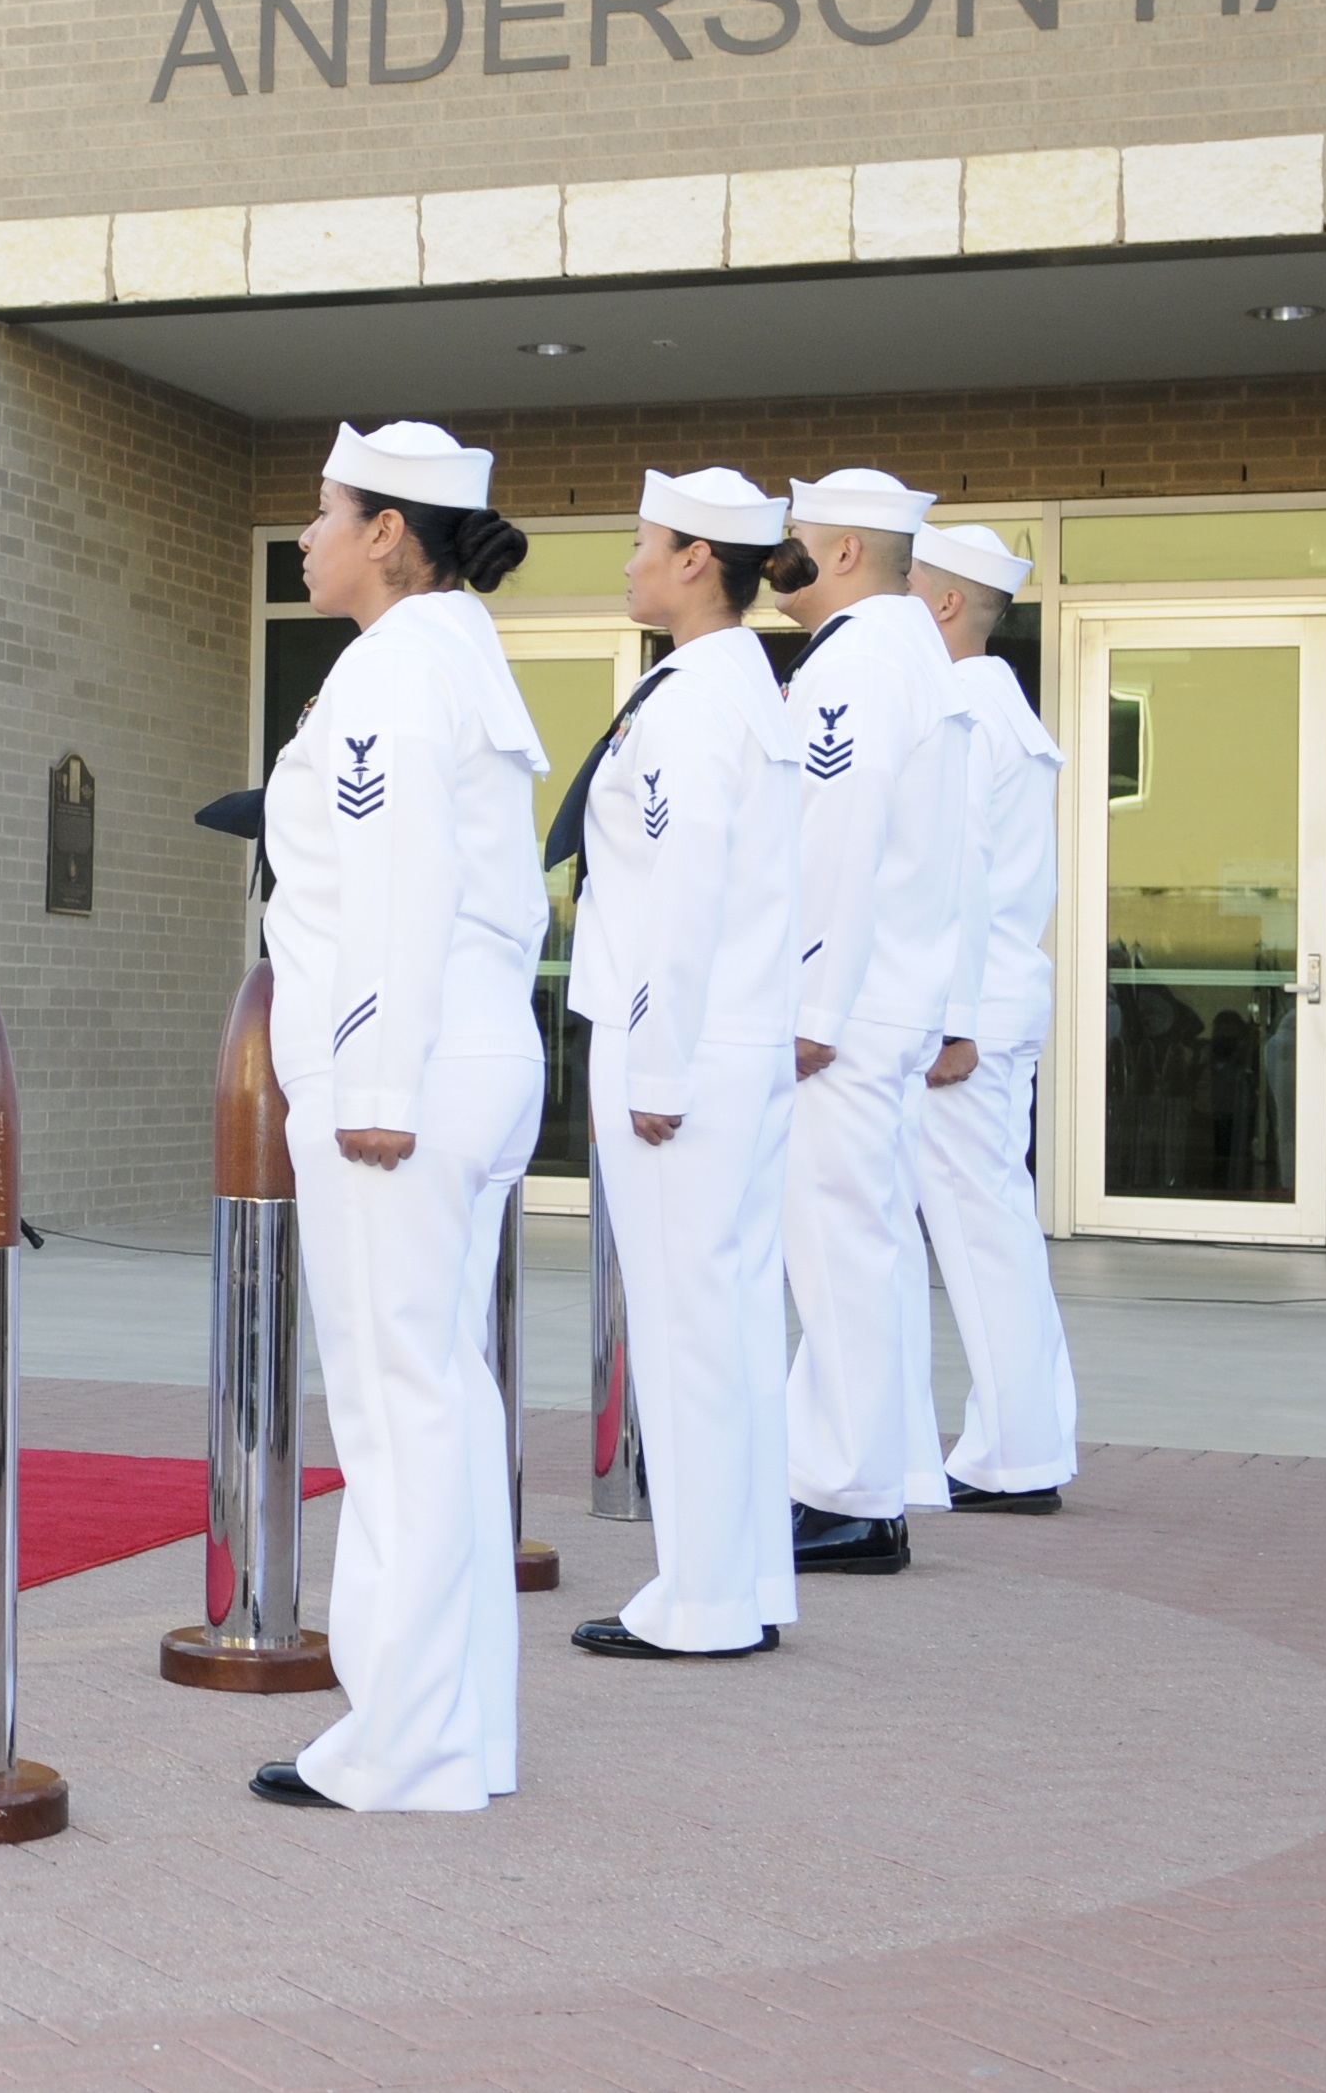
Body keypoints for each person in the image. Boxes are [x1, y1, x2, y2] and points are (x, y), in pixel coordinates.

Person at [247, 421, 543, 1814]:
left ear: (386, 532)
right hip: (467, 1055)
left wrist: (366, 1087)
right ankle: (456, 1728)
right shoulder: (456, 655)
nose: (303, 536)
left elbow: (391, 880)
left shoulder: (385, 669)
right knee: (442, 1397)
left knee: (393, 1408)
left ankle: (399, 1745)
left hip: (402, 1076)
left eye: (322, 511)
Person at [554, 470, 807, 1661]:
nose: (627, 563)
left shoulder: (694, 703)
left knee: (684, 1320)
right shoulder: (732, 691)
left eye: (642, 543)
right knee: (733, 1318)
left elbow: (679, 889)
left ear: (699, 559)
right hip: (733, 1033)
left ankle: (703, 1597)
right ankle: (742, 1578)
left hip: (683, 1042)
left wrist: (652, 1063)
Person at [773, 466, 969, 1576]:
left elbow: (833, 840)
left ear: (843, 551)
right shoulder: (903, 655)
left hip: (840, 1005)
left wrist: (806, 1005)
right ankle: (872, 1477)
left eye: (797, 535)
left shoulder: (855, 662)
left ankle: (844, 1496)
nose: (783, 553)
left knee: (837, 1247)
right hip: (879, 995)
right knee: (865, 1245)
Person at [905, 523, 1079, 1515]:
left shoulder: (964, 709)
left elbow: (957, 873)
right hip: (995, 998)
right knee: (994, 1228)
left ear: (939, 606)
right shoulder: (1001, 704)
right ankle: (1021, 1438)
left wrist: (951, 1019)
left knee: (978, 1235)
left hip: (964, 1010)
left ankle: (1014, 1455)